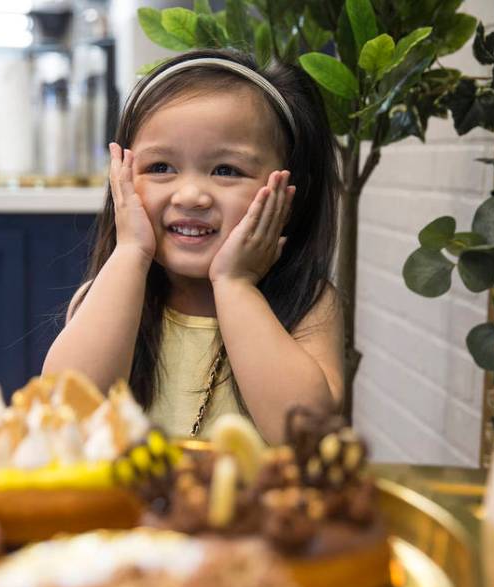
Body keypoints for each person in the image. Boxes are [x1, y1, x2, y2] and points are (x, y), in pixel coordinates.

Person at [43, 48, 342, 445]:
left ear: (287, 194)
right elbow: (64, 415)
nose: (190, 196)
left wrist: (235, 285)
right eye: (161, 168)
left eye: (226, 170)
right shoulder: (110, 293)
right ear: (122, 179)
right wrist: (131, 252)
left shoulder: (307, 303)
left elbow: (306, 439)